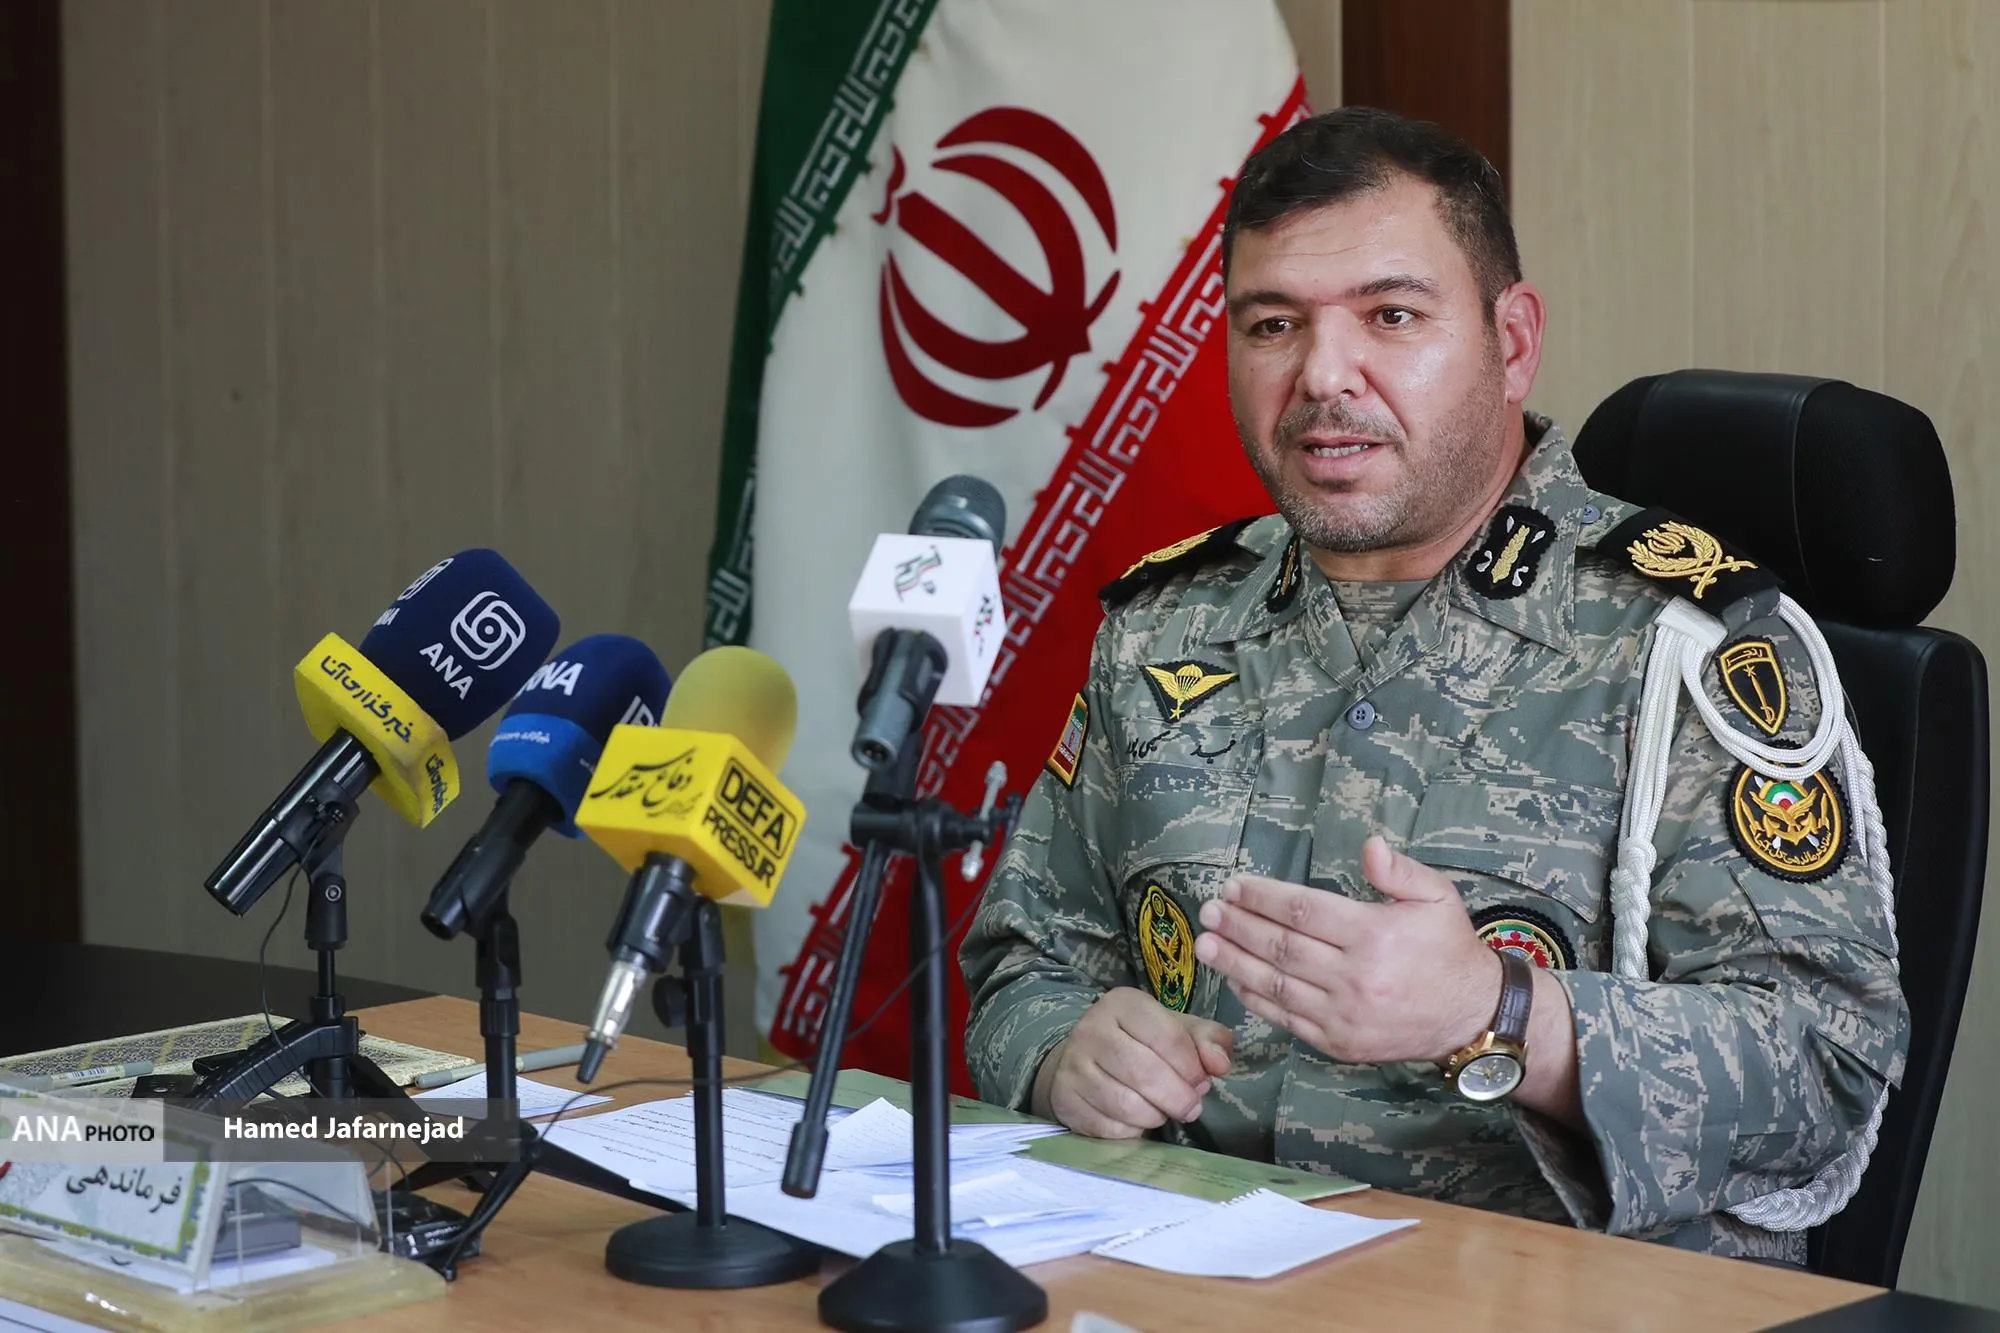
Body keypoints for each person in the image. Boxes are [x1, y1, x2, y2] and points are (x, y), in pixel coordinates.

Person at [958, 106, 1908, 1263]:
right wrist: (1063, 1051)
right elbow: (1022, 960)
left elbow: (1824, 1076)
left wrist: (1494, 1011)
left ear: (1512, 341)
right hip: (1181, 1280)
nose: (1321, 376)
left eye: (1390, 316)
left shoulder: (1683, 648)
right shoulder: (1162, 629)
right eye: (1272, 324)